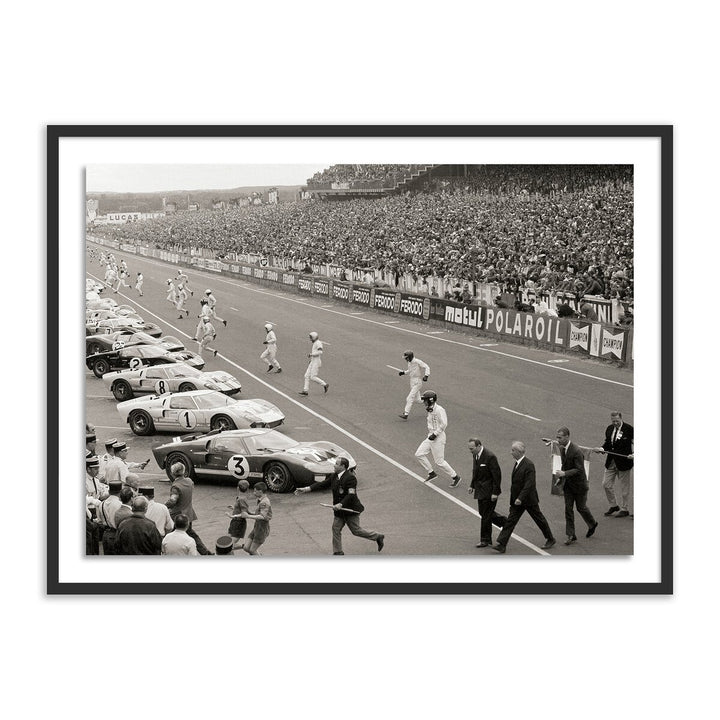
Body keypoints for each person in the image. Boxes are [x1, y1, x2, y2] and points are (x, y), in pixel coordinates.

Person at [295, 457, 384, 555]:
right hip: (339, 511)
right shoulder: (334, 476)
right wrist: (307, 489)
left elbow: (351, 494)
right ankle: (338, 552)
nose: (334, 465)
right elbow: (323, 484)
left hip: (350, 509)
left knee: (356, 531)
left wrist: (341, 504)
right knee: (335, 529)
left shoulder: (350, 478)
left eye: (337, 464)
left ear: (343, 466)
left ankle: (378, 536)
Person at [492, 442, 556, 553]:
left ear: (520, 452)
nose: (511, 452)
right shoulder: (518, 463)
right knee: (511, 521)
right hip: (518, 500)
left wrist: (520, 498)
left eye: (513, 450)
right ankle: (502, 544)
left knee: (539, 519)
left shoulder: (529, 465)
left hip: (528, 500)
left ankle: (550, 538)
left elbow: (529, 484)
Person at [553, 427, 598, 545]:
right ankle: (571, 535)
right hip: (568, 485)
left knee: (581, 508)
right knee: (568, 509)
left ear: (567, 437)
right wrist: (561, 478)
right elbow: (565, 465)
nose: (557, 439)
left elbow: (579, 469)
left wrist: (564, 473)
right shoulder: (563, 449)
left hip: (580, 486)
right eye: (557, 437)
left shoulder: (576, 451)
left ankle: (592, 523)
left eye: (560, 437)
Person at [414, 390, 462, 486]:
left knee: (439, 462)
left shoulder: (439, 410)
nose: (424, 402)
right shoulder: (429, 408)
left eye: (425, 400)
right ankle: (431, 473)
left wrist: (435, 434)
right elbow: (418, 400)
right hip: (430, 436)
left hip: (438, 437)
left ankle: (455, 477)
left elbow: (444, 424)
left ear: (430, 401)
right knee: (419, 454)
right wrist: (416, 392)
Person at [466, 438, 507, 548]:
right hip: (480, 490)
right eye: (469, 449)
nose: (471, 451)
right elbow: (475, 471)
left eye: (472, 448)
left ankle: (485, 539)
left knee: (486, 515)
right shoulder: (475, 455)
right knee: (483, 513)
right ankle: (505, 523)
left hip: (489, 491)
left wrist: (495, 492)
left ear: (479, 446)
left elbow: (497, 476)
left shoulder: (490, 456)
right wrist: (472, 485)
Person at [165, 461, 212, 555]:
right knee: (191, 534)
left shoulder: (175, 486)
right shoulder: (189, 481)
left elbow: (173, 501)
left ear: (173, 473)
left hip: (177, 515)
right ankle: (205, 553)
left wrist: (164, 506)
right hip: (189, 513)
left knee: (169, 534)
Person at [594, 411, 634, 517]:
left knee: (624, 488)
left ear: (621, 418)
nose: (615, 423)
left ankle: (624, 509)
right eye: (613, 421)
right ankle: (614, 505)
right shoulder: (609, 428)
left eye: (617, 421)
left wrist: (634, 454)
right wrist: (602, 448)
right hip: (611, 462)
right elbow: (607, 443)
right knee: (606, 484)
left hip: (624, 462)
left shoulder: (629, 429)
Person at [241, 482, 272, 556]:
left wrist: (248, 516)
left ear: (260, 491)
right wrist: (248, 512)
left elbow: (262, 516)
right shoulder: (260, 500)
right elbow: (258, 513)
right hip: (257, 527)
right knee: (246, 548)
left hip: (262, 528)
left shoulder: (264, 502)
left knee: (252, 550)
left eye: (255, 491)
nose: (254, 493)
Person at [397, 350, 430, 419]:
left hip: (417, 382)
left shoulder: (417, 361)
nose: (406, 359)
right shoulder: (409, 363)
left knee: (409, 398)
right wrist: (404, 372)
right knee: (418, 400)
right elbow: (410, 370)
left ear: (410, 357)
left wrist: (426, 375)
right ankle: (429, 401)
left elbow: (426, 366)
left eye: (406, 358)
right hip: (412, 381)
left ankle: (406, 414)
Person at [299, 331, 328, 395]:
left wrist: (311, 354)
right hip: (313, 361)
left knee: (313, 377)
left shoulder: (318, 343)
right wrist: (311, 359)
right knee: (306, 376)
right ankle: (305, 390)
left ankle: (325, 384)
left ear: (314, 337)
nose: (310, 339)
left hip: (316, 362)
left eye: (311, 337)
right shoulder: (315, 343)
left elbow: (320, 352)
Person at [97, 480, 123, 554]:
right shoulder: (120, 504)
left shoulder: (102, 504)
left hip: (106, 534)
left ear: (109, 491)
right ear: (120, 492)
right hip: (116, 534)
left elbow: (99, 520)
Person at [225, 479, 251, 549]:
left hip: (239, 523)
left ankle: (245, 546)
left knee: (230, 545)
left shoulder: (242, 499)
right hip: (235, 522)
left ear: (237, 488)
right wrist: (234, 508)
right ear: (247, 489)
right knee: (227, 542)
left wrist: (232, 516)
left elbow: (244, 513)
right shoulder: (240, 498)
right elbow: (242, 509)